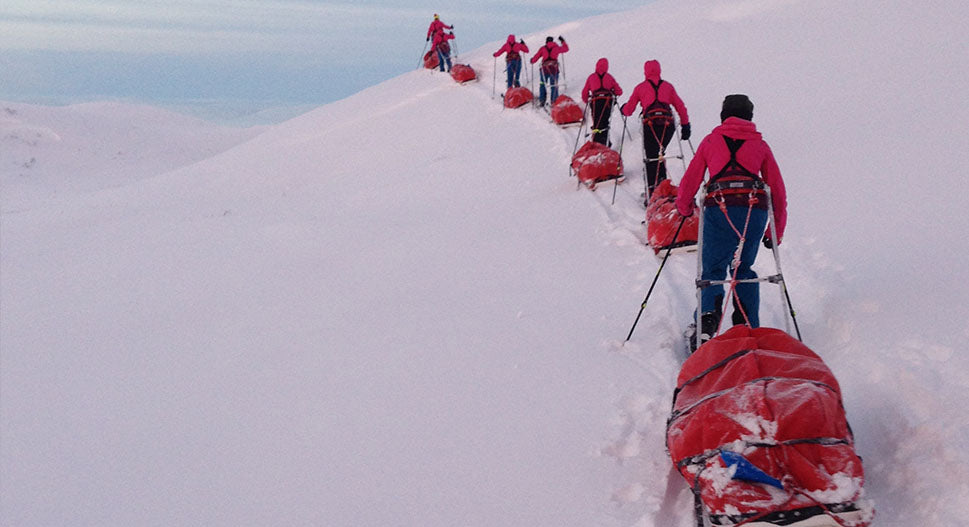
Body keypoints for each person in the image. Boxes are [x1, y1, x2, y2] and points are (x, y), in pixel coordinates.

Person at [674, 94, 788, 346]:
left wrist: (683, 207)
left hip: (719, 209)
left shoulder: (711, 141)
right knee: (743, 267)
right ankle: (747, 325)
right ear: (749, 116)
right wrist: (774, 232)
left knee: (713, 269)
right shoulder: (761, 146)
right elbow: (778, 192)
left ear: (724, 115)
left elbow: (691, 179)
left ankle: (707, 319)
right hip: (753, 212)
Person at [620, 60, 690, 196]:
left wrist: (623, 110)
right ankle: (663, 186)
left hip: (650, 125)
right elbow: (680, 106)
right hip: (667, 126)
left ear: (645, 71)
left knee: (651, 156)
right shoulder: (668, 87)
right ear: (659, 70)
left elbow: (629, 110)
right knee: (659, 153)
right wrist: (685, 125)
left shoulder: (640, 87)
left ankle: (652, 192)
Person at [581, 58, 623, 146]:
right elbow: (619, 91)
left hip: (595, 102)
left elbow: (584, 92)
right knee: (605, 121)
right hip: (607, 102)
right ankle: (605, 140)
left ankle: (597, 141)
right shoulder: (609, 77)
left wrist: (586, 100)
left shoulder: (591, 77)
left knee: (596, 121)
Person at [530, 36, 569, 106]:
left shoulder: (542, 48)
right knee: (554, 85)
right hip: (554, 69)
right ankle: (554, 101)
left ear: (546, 42)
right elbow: (566, 49)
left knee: (542, 84)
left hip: (544, 69)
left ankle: (542, 100)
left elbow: (536, 57)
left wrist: (532, 60)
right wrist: (563, 41)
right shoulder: (556, 48)